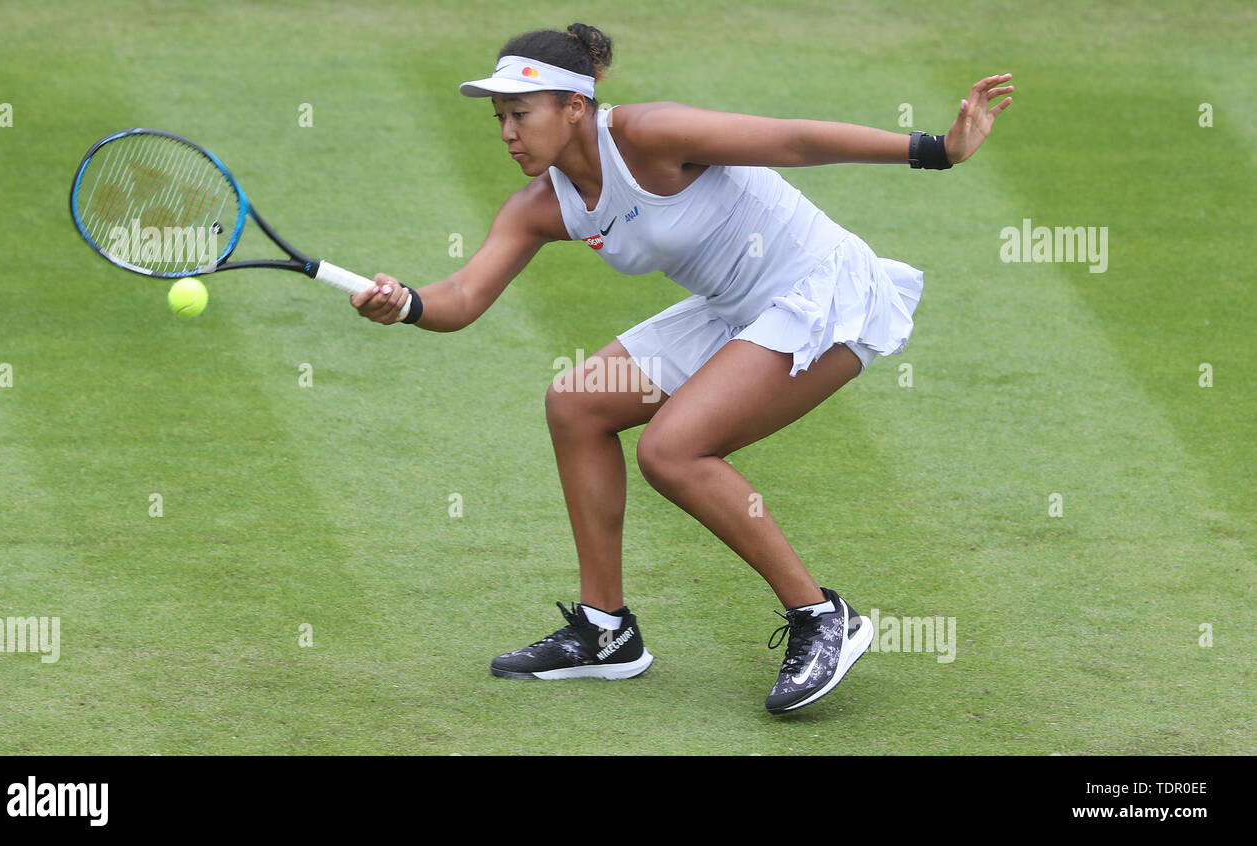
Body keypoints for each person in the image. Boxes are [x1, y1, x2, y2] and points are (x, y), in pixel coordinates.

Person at [351, 23, 1012, 713]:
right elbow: (462, 298)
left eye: (521, 115)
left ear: (574, 108)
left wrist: (937, 150)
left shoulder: (650, 134)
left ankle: (821, 616)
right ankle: (606, 632)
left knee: (672, 450)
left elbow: (792, 140)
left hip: (819, 290)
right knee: (576, 402)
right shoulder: (542, 206)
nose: (508, 133)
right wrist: (405, 304)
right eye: (501, 119)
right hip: (734, 310)